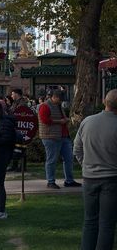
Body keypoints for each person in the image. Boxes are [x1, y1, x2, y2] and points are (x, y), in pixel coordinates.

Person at [74, 89, 117, 250]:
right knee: (107, 223)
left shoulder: (87, 121)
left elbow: (76, 149)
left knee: (90, 221)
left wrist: (86, 165)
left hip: (89, 178)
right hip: (112, 178)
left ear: (105, 102)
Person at [39, 90, 81, 189]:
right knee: (52, 160)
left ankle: (69, 180)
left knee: (69, 158)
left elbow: (60, 117)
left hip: (63, 135)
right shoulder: (45, 106)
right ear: (54, 97)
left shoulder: (58, 106)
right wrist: (60, 121)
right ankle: (50, 181)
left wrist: (65, 119)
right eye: (60, 99)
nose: (61, 101)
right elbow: (44, 120)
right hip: (50, 136)